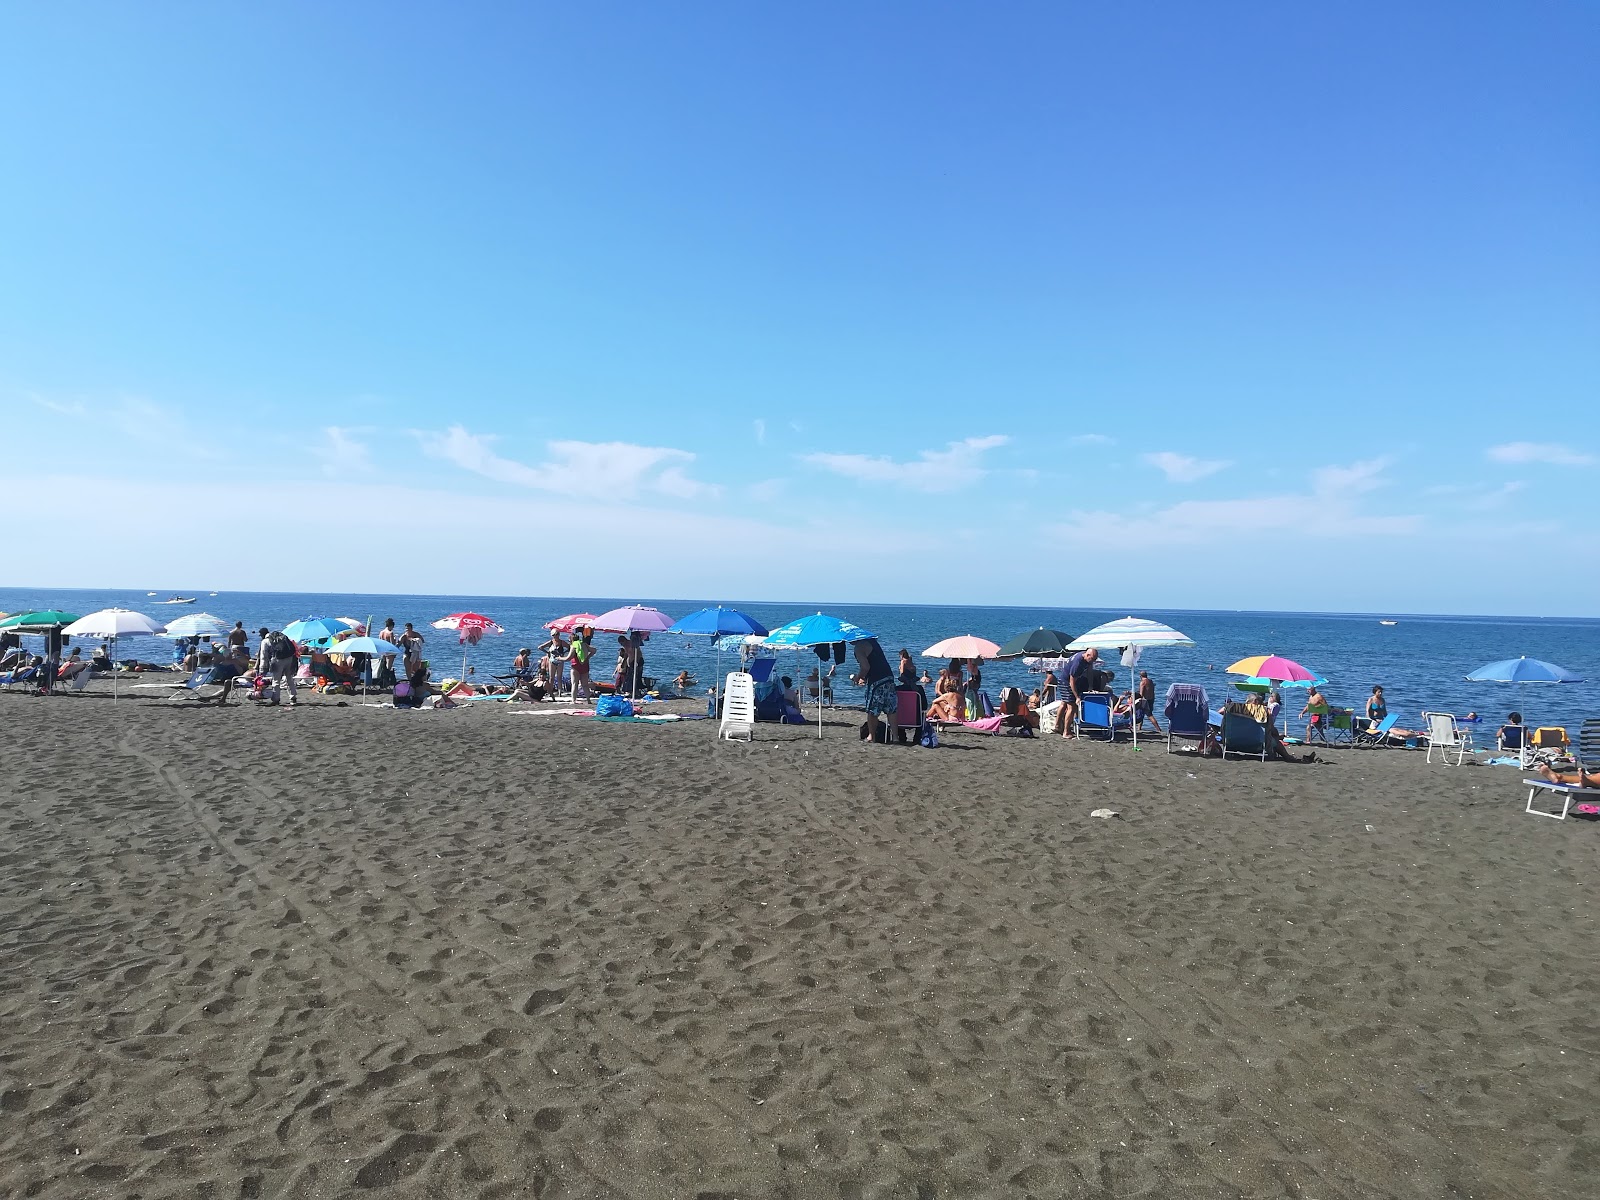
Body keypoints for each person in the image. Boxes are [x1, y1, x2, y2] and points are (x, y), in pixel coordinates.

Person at [852, 637, 897, 744]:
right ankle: (895, 737)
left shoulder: (859, 647)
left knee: (872, 710)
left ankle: (871, 736)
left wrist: (859, 677)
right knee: (891, 710)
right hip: (889, 677)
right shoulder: (873, 642)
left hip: (876, 681)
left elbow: (865, 667)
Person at [1055, 647, 1100, 738]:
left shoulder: (1086, 658)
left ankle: (1057, 726)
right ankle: (1066, 732)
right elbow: (1072, 681)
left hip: (1064, 679)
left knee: (1064, 703)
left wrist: (1090, 686)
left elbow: (1089, 671)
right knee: (1071, 707)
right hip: (1066, 681)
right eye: (1092, 659)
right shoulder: (1078, 663)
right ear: (1087, 655)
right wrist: (1077, 697)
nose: (1093, 662)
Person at [256, 626, 299, 706]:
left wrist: (262, 670)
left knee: (276, 680)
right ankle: (293, 697)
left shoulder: (265, 641)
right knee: (289, 678)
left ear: (262, 635)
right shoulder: (280, 637)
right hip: (289, 658)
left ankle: (276, 699)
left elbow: (263, 656)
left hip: (278, 660)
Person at [1136, 669, 1162, 733]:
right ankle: (1139, 728)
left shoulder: (1142, 682)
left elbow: (1141, 694)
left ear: (1140, 676)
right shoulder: (1150, 681)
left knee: (1149, 715)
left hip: (1145, 700)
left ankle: (1158, 729)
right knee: (1142, 713)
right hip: (1151, 699)